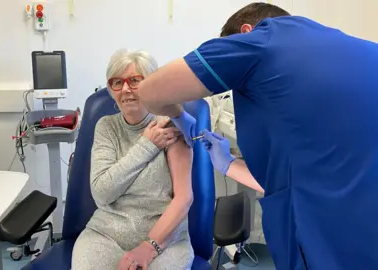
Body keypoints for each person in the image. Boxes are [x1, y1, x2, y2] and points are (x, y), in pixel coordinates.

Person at [136, 2, 378, 270]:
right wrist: (228, 163)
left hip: (330, 244)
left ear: (246, 31)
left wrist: (182, 118)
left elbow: (148, 92)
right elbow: (303, 179)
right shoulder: (362, 51)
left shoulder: (259, 40)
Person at [71, 49, 195, 270]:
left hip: (165, 241)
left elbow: (183, 199)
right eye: (117, 82)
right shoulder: (106, 127)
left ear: (152, 84)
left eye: (135, 80)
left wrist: (147, 248)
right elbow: (101, 193)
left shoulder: (172, 126)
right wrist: (147, 145)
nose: (126, 89)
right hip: (105, 235)